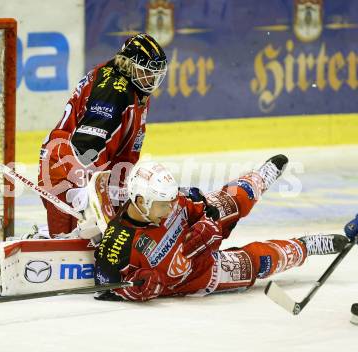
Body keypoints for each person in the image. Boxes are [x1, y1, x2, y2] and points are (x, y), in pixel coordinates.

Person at [93, 156, 357, 301]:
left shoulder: (169, 200)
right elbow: (106, 286)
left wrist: (207, 220)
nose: (169, 207)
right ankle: (304, 247)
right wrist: (136, 289)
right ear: (141, 201)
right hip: (197, 276)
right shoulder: (117, 242)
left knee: (231, 199)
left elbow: (197, 201)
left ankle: (259, 178)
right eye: (163, 205)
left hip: (197, 233)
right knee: (258, 262)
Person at [38, 33, 168, 236]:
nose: (151, 80)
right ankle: (39, 242)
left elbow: (126, 154)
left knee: (106, 235)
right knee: (68, 245)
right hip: (64, 169)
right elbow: (86, 147)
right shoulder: (112, 91)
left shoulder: (136, 90)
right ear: (129, 65)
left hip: (91, 169)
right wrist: (87, 192)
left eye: (155, 74)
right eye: (146, 73)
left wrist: (120, 191)